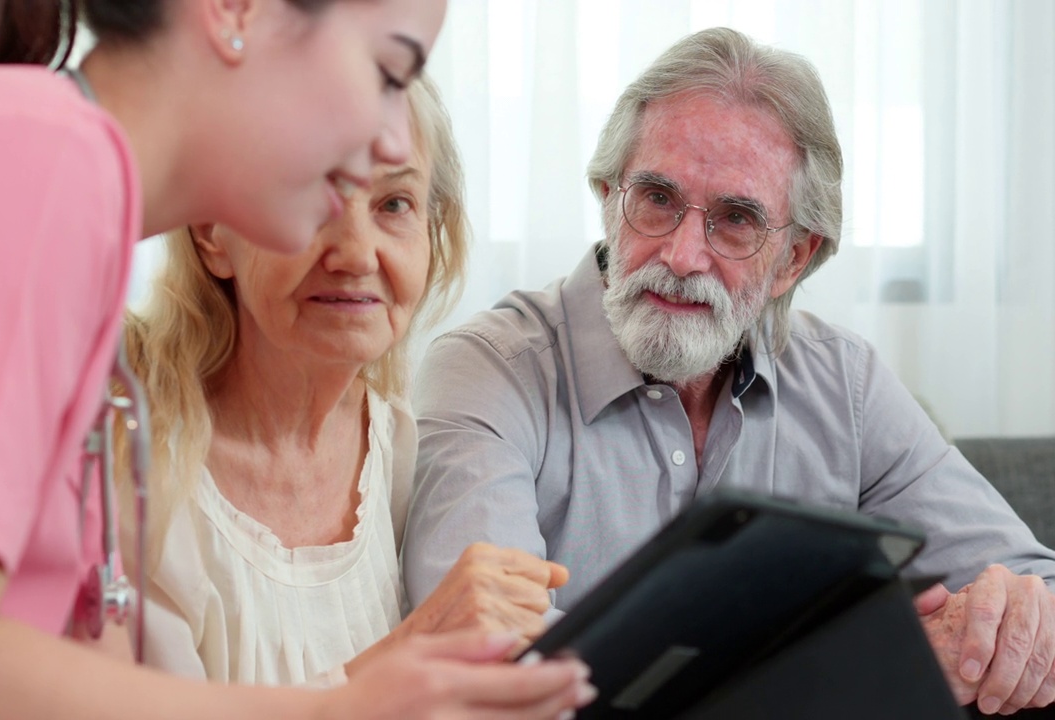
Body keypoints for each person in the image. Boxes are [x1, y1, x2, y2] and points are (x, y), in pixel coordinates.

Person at [0, 0, 593, 718]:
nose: (387, 135)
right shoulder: (30, 159)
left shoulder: (67, 208)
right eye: (387, 70)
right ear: (235, 9)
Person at [402, 26, 1055, 717]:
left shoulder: (847, 384)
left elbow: (1036, 585)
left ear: (795, 258)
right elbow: (488, 676)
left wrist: (1001, 626)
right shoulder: (490, 371)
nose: (682, 255)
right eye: (655, 198)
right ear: (606, 195)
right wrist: (850, 675)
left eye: (735, 219)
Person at [119, 75, 580, 688]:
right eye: (309, 198)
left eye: (394, 205)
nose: (358, 254)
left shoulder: (390, 436)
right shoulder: (136, 465)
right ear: (211, 232)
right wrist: (421, 645)